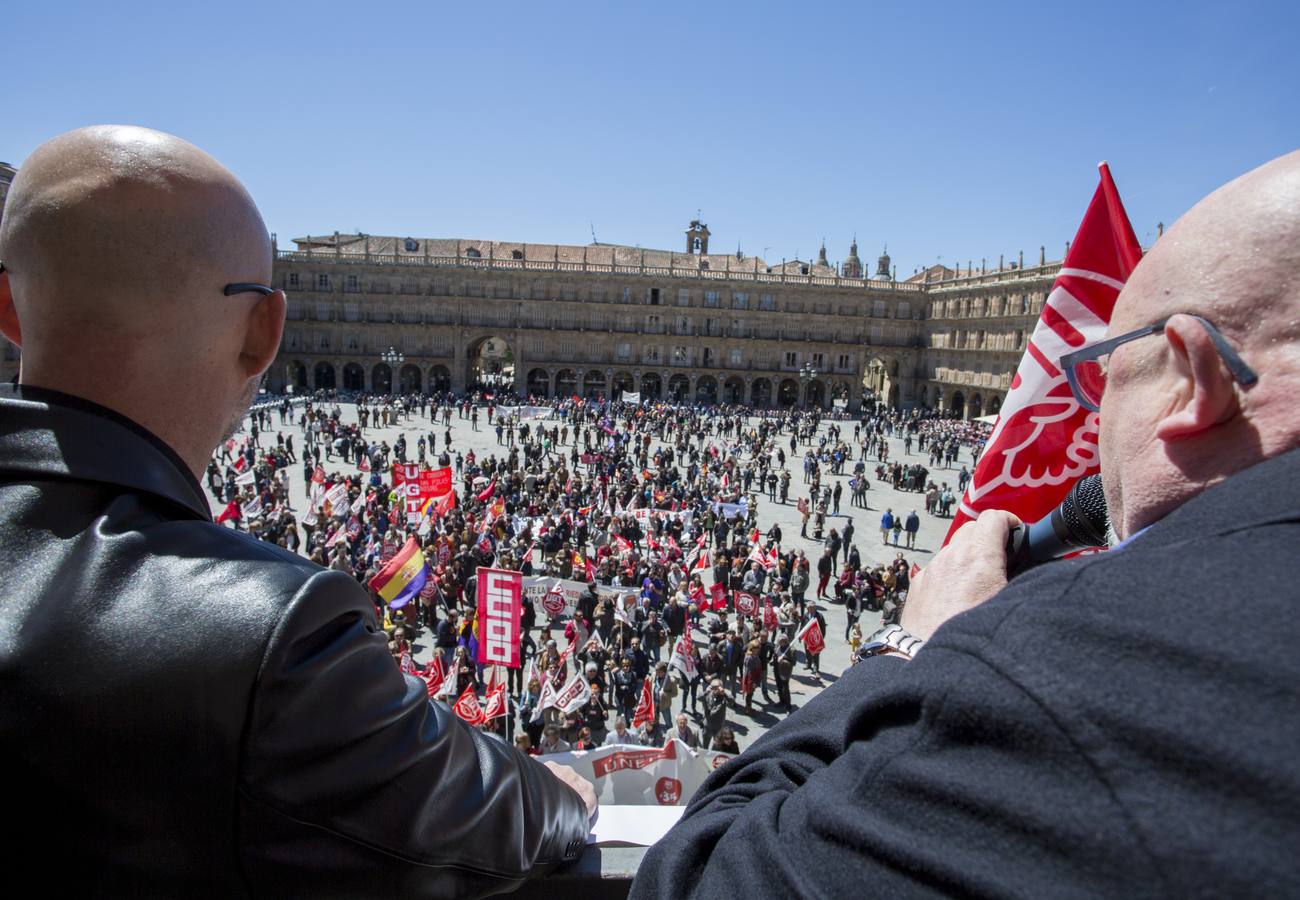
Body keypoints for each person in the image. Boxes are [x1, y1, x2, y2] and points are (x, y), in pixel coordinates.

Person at [631, 152, 1300, 897]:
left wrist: (907, 652)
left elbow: (702, 881)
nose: (1091, 411)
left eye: (1104, 370)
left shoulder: (1059, 663)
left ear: (1192, 374)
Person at [0, 126, 593, 896]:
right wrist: (567, 796)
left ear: (8, 310)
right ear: (266, 329)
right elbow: (486, 819)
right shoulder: (266, 635)